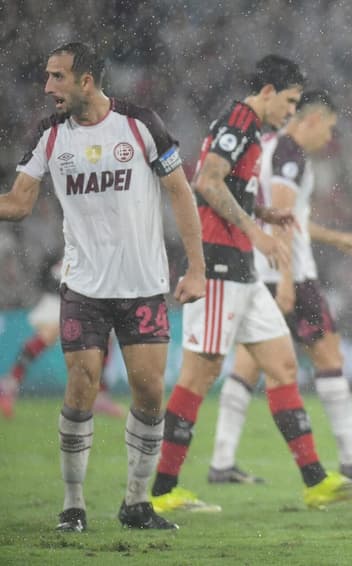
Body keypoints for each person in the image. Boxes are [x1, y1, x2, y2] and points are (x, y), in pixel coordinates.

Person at [150, 59, 352, 513]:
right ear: (268, 91)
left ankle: (316, 481)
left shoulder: (253, 130)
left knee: (283, 366)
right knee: (201, 373)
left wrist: (262, 215)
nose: (291, 112)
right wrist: (256, 232)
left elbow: (229, 187)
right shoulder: (239, 120)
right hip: (218, 265)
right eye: (290, 101)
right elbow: (207, 182)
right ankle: (161, 491)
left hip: (244, 270)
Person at [0, 42, 207, 532]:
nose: (48, 87)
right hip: (84, 286)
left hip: (142, 285)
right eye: (48, 77)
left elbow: (180, 190)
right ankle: (73, 505)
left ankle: (136, 503)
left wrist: (196, 269)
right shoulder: (50, 135)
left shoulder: (140, 123)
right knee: (81, 386)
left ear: (85, 81)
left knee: (150, 392)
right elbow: (19, 202)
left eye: (57, 77)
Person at [207, 89, 352, 485]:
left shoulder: (269, 147)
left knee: (248, 361)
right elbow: (282, 220)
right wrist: (290, 281)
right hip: (288, 274)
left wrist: (338, 239)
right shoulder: (289, 153)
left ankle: (222, 461)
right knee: (328, 355)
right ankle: (349, 456)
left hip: (260, 269)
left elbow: (288, 217)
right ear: (312, 119)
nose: (330, 137)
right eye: (328, 126)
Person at [0, 254, 125, 420]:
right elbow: (52, 268)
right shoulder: (79, 241)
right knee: (49, 334)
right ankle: (9, 384)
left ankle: (99, 396)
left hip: (87, 293)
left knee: (106, 336)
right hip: (64, 291)